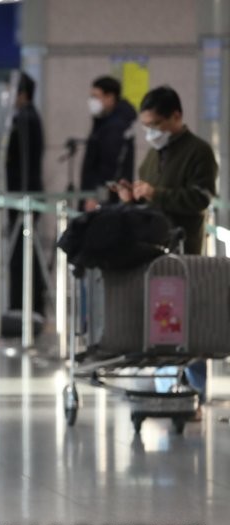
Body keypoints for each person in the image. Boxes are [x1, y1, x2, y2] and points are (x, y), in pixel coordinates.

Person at [114, 85, 216, 405]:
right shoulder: (153, 155)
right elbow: (148, 199)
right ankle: (162, 385)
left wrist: (158, 194)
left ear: (176, 117)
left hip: (184, 253)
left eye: (156, 125)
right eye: (146, 126)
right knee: (158, 323)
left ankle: (195, 391)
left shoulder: (198, 152)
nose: (151, 133)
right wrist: (132, 197)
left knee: (187, 323)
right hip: (152, 252)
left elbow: (200, 198)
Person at [4, 72, 47, 318]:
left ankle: (25, 305)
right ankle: (27, 304)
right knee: (24, 250)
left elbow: (14, 155)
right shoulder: (29, 118)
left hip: (23, 196)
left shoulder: (25, 120)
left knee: (23, 252)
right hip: (24, 193)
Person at [80, 76, 137, 211]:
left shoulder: (115, 127)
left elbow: (110, 167)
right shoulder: (102, 122)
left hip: (107, 199)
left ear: (110, 97)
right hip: (102, 195)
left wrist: (97, 196)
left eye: (96, 96)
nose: (92, 101)